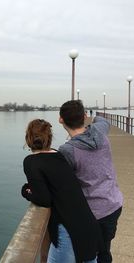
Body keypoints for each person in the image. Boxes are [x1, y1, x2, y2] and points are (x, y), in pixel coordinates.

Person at [22, 119, 103, 263]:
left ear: (28, 138)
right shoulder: (59, 155)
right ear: (49, 137)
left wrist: (26, 192)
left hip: (68, 231)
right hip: (88, 224)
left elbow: (43, 199)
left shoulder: (31, 161)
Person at [58, 100, 123, 263]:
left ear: (61, 120)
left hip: (91, 213)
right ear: (85, 116)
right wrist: (92, 122)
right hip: (113, 205)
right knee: (104, 251)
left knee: (88, 255)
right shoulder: (99, 132)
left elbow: (64, 183)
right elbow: (103, 121)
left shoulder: (66, 150)